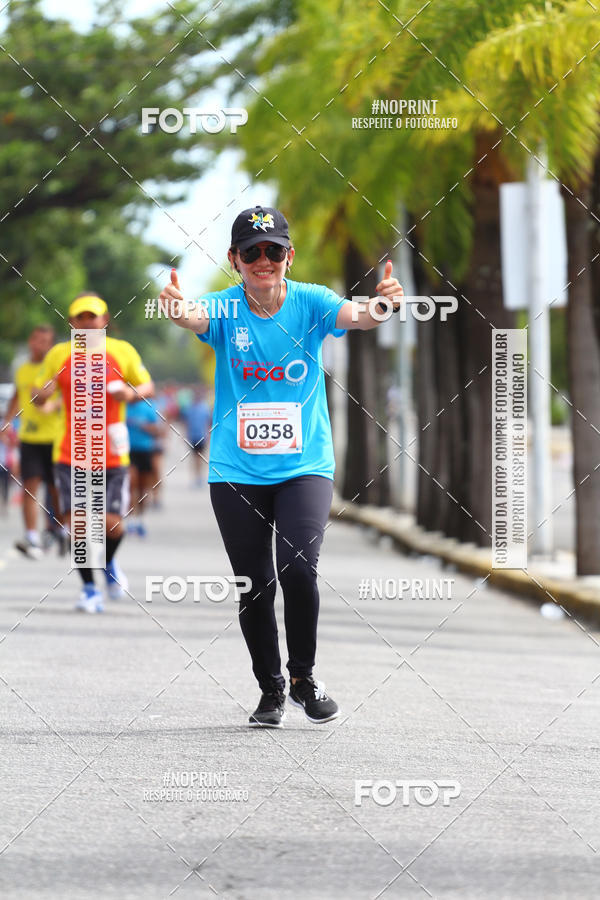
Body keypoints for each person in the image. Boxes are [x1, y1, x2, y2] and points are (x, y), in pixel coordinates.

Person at [160, 205, 403, 728]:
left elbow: (356, 316)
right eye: (252, 252)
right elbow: (193, 317)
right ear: (235, 260)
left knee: (299, 569)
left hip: (304, 466)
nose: (264, 260)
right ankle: (270, 688)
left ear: (288, 257)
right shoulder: (225, 309)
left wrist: (382, 307)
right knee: (254, 583)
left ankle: (303, 679)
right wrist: (177, 310)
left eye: (274, 250)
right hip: (235, 471)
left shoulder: (311, 302)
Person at [32, 293, 154, 612]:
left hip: (112, 454)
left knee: (113, 523)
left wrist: (128, 393)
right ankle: (88, 589)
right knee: (81, 524)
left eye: (93, 317)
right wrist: (42, 394)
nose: (87, 323)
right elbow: (39, 392)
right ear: (71, 323)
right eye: (80, 318)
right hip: (70, 452)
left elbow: (147, 386)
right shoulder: (60, 354)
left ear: (105, 320)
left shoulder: (121, 351)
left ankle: (109, 565)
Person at [0, 325, 64, 558]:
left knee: (55, 488)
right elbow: (18, 395)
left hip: (56, 436)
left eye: (45, 342)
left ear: (51, 345)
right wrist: (7, 422)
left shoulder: (56, 368)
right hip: (29, 436)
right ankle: (31, 538)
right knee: (30, 486)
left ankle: (57, 528)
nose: (40, 345)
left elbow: (66, 397)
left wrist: (52, 404)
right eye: (36, 340)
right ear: (30, 341)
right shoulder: (23, 369)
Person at [126, 396, 165, 535]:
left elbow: (158, 430)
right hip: (127, 451)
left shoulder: (149, 406)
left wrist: (144, 426)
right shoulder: (122, 405)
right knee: (131, 484)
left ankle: (140, 520)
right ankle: (129, 521)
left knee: (142, 488)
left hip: (145, 450)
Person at [184, 387, 212, 486]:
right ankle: (196, 477)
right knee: (194, 457)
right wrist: (186, 434)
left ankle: (200, 477)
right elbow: (186, 422)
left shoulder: (205, 408)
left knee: (200, 457)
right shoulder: (190, 408)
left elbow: (208, 422)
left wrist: (208, 434)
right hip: (193, 436)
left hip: (202, 435)